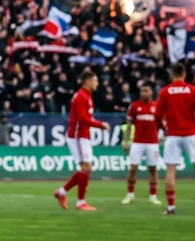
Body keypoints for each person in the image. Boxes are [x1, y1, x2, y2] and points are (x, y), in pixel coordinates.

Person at [156, 63, 195, 215]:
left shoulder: (165, 92)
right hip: (191, 133)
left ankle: (171, 207)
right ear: (184, 74)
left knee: (171, 169)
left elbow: (157, 115)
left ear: (171, 75)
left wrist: (164, 129)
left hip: (173, 134)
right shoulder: (193, 90)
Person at [54, 70, 109, 211]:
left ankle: (62, 192)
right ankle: (80, 202)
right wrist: (100, 125)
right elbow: (82, 119)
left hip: (83, 136)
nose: (97, 83)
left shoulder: (87, 96)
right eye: (95, 81)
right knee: (86, 168)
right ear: (87, 81)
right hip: (77, 136)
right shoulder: (81, 97)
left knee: (86, 168)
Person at [122, 81, 161, 205]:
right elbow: (128, 126)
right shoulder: (134, 106)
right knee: (133, 168)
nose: (143, 93)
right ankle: (130, 195)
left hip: (152, 143)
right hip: (137, 142)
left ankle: (153, 196)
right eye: (142, 91)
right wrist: (126, 142)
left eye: (146, 91)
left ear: (151, 92)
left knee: (153, 169)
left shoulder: (157, 106)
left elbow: (161, 125)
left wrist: (163, 137)